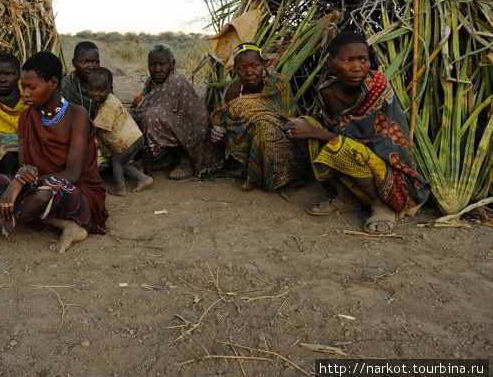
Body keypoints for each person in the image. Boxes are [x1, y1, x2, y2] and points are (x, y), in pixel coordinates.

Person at [0, 51, 108, 253]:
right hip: (39, 187)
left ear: (53, 83)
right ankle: (64, 225)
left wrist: (19, 182)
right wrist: (20, 178)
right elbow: (25, 167)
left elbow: (73, 175)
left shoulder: (77, 115)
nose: (26, 93)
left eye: (32, 87)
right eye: (23, 87)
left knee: (48, 191)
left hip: (77, 192)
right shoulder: (27, 117)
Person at [285, 31, 430, 234]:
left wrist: (317, 133)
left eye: (363, 59)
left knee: (340, 146)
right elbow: (331, 130)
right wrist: (307, 129)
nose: (357, 67)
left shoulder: (377, 85)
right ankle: (345, 196)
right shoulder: (327, 91)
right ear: (331, 63)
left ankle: (381, 206)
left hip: (388, 172)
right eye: (347, 60)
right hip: (351, 166)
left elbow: (376, 143)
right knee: (305, 125)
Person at [210, 43, 306, 191]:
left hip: (280, 137)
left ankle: (284, 172)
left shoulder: (278, 83)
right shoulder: (234, 89)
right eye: (242, 68)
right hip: (246, 141)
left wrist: (264, 120)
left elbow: (289, 115)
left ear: (263, 65)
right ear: (235, 70)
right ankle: (249, 165)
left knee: (264, 125)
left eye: (255, 65)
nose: (249, 72)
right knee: (260, 123)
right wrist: (219, 130)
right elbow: (225, 120)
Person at [131, 43, 222, 179]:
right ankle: (166, 158)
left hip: (195, 136)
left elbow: (154, 112)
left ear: (172, 64)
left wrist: (134, 114)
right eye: (152, 64)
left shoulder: (176, 81)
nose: (157, 69)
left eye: (162, 64)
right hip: (176, 128)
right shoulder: (150, 81)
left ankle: (186, 160)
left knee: (152, 117)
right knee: (142, 116)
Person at [87, 67, 152, 196]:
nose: (95, 93)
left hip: (129, 140)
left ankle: (120, 188)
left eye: (100, 90)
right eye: (92, 89)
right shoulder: (105, 100)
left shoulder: (109, 105)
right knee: (122, 163)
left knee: (116, 161)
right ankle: (144, 178)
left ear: (110, 88)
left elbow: (96, 128)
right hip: (133, 138)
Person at [61, 40, 100, 117]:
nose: (91, 67)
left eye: (95, 62)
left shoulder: (102, 84)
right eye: (84, 62)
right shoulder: (65, 87)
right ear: (74, 62)